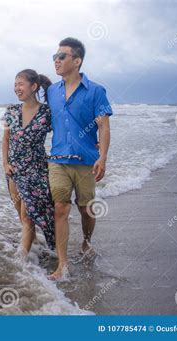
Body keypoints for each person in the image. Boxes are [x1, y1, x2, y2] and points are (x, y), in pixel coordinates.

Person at [46, 37, 112, 280]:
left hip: (86, 161)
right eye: (54, 57)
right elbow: (37, 113)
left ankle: (86, 241)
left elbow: (103, 126)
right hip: (58, 160)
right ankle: (62, 265)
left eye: (61, 56)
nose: (56, 60)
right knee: (60, 208)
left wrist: (102, 157)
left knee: (86, 208)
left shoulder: (95, 91)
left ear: (77, 60)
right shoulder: (51, 90)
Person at [1, 69, 55, 258]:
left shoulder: (46, 112)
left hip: (36, 169)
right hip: (14, 169)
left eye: (20, 84)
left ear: (33, 87)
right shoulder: (12, 111)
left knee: (27, 215)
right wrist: (5, 164)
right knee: (20, 212)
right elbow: (6, 139)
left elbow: (65, 130)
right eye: (15, 84)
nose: (16, 88)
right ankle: (31, 240)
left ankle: (21, 260)